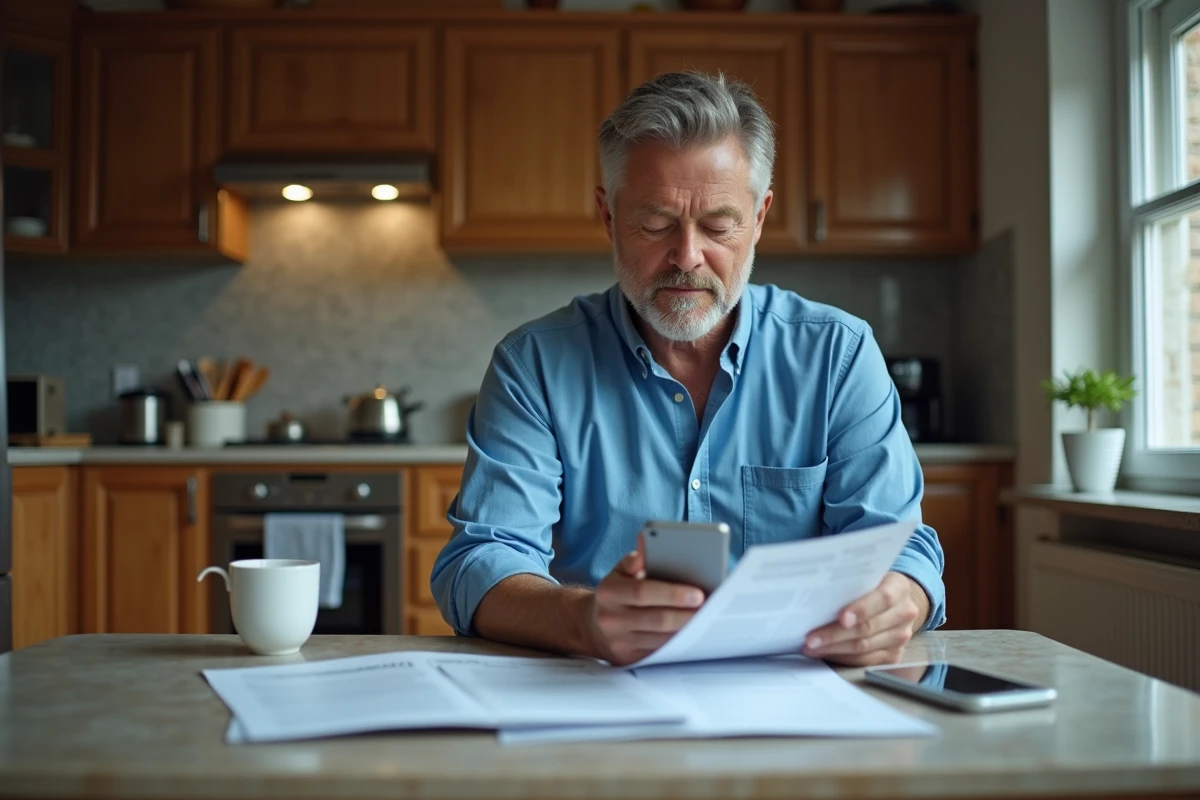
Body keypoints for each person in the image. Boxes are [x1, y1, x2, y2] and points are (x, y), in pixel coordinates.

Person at [430, 70, 946, 668]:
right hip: (600, 697)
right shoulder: (535, 366)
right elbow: (480, 561)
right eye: (655, 224)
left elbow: (903, 546)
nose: (687, 257)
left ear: (759, 217)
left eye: (719, 226)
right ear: (607, 216)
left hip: (796, 700)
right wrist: (585, 621)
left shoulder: (839, 355)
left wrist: (897, 599)